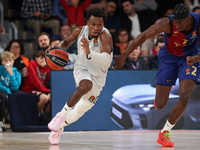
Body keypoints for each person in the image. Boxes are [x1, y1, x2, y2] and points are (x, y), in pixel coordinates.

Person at [114, 3, 200, 147]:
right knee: (160, 105)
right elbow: (142, 36)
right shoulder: (167, 24)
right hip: (169, 58)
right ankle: (161, 93)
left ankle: (164, 133)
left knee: (185, 96)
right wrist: (124, 55)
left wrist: (196, 59)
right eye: (175, 21)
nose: (177, 25)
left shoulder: (198, 23)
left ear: (188, 18)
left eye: (180, 22)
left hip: (189, 59)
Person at [47, 8, 113, 145]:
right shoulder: (79, 31)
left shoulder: (105, 36)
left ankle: (59, 127)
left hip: (99, 76)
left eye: (99, 25)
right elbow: (65, 43)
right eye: (93, 24)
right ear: (88, 22)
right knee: (85, 86)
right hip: (82, 68)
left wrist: (90, 52)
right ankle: (61, 115)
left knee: (81, 110)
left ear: (103, 24)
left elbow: (107, 61)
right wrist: (55, 48)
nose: (96, 28)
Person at [21, 51, 51, 115]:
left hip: (41, 90)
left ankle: (44, 119)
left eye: (45, 58)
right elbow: (35, 81)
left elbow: (51, 79)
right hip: (30, 90)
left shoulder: (47, 67)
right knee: (44, 98)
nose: (43, 60)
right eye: (41, 58)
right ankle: (34, 117)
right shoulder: (32, 63)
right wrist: (47, 91)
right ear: (36, 58)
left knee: (52, 97)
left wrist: (47, 66)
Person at [0, 51, 21, 132]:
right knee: (3, 97)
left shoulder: (16, 72)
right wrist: (7, 90)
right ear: (2, 62)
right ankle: (1, 121)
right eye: (6, 61)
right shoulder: (0, 70)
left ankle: (18, 121)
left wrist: (11, 74)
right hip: (2, 90)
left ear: (13, 61)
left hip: (12, 90)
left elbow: (15, 87)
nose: (8, 62)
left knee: (21, 95)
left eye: (10, 60)